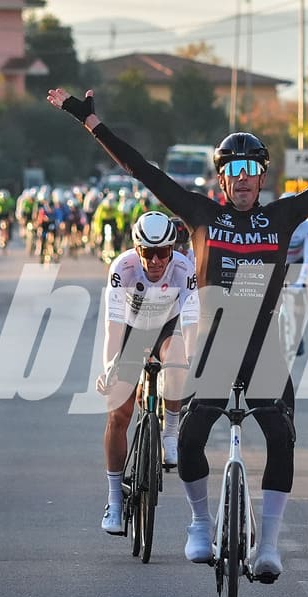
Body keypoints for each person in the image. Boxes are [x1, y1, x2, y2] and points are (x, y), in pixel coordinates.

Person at [48, 86, 308, 578]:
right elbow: (141, 169)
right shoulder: (201, 215)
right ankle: (198, 524)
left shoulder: (282, 216)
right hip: (214, 346)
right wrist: (90, 122)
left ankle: (270, 544)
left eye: (252, 170)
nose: (244, 180)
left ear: (262, 175)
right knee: (188, 442)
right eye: (233, 171)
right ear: (221, 178)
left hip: (261, 346)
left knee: (282, 436)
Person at [96, 211, 199, 533]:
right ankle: (114, 500)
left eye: (163, 252)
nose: (155, 260)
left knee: (180, 355)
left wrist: (195, 359)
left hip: (166, 330)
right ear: (137, 249)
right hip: (130, 331)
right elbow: (113, 326)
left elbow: (193, 321)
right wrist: (110, 367)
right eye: (148, 252)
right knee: (118, 415)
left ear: (172, 249)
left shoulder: (183, 267)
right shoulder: (122, 267)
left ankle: (170, 433)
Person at [281, 191, 308, 357]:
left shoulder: (307, 226)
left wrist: (301, 280)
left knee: (299, 300)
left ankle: (297, 338)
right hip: (278, 262)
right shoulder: (275, 222)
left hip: (297, 262)